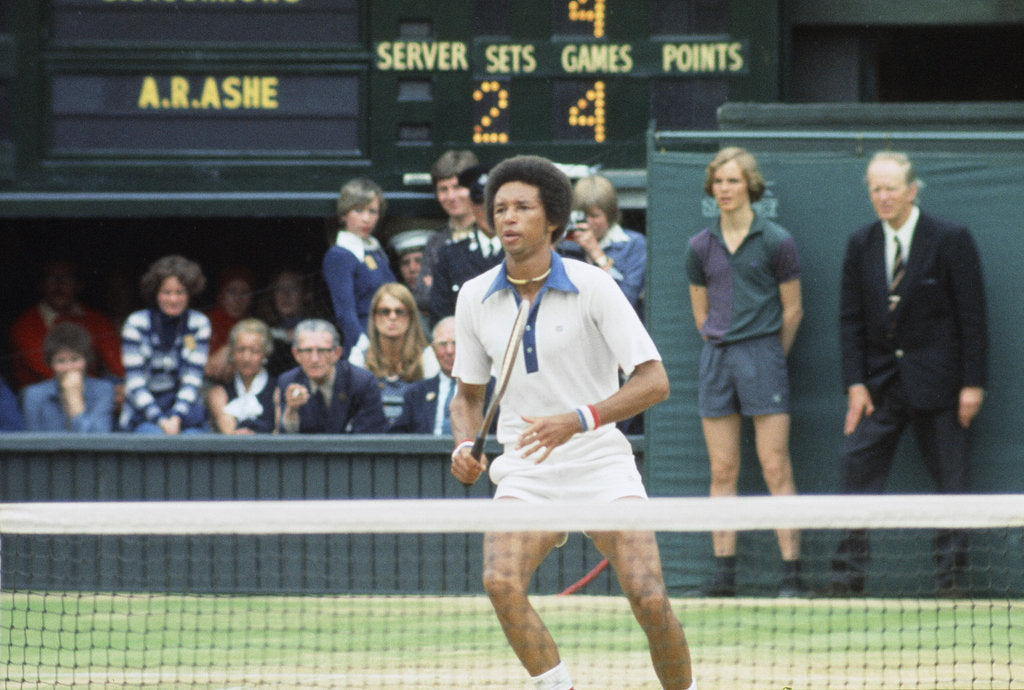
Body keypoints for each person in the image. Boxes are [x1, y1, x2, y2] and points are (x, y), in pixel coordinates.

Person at [449, 155, 694, 690]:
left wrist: (579, 420)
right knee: (499, 581)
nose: (508, 217)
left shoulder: (596, 286)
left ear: (552, 221)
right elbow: (467, 395)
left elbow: (655, 381)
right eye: (500, 208)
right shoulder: (473, 297)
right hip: (527, 470)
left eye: (523, 207)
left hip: (600, 465)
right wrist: (464, 444)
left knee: (650, 599)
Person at [828, 151, 988, 597]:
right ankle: (846, 579)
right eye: (875, 189)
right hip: (880, 387)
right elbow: (851, 319)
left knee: (953, 482)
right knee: (854, 465)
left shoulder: (950, 239)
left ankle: (949, 579)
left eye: (891, 189)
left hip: (943, 386)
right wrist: (856, 384)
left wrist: (972, 384)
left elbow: (972, 316)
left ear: (912, 191)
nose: (882, 197)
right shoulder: (860, 244)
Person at [683, 147, 805, 597]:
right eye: (718, 182)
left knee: (775, 466)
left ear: (749, 185)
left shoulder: (777, 240)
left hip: (765, 359)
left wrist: (769, 353)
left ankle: (791, 575)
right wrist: (725, 343)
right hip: (717, 360)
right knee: (723, 469)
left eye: (733, 181)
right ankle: (723, 576)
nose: (725, 190)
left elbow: (792, 311)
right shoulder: (699, 246)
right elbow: (701, 315)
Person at [120, 255, 210, 434]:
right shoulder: (136, 323)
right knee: (151, 436)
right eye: (166, 292)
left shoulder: (199, 323)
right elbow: (135, 383)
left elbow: (193, 380)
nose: (173, 299)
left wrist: (176, 417)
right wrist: (160, 420)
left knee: (194, 438)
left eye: (180, 292)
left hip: (185, 411)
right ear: (156, 293)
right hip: (145, 411)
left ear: (190, 293)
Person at [10, 258, 124, 389]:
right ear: (41, 285)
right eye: (51, 278)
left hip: (91, 393)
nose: (59, 285)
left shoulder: (96, 319)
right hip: (43, 398)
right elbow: (48, 371)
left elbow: (117, 366)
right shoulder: (24, 325)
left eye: (66, 278)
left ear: (79, 285)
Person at [322, 177, 396, 358]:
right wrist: (364, 348)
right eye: (358, 210)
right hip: (364, 347)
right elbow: (345, 313)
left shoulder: (375, 250)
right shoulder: (340, 255)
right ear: (344, 214)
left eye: (372, 211)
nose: (366, 218)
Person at [275, 318, 387, 434]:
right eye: (307, 351)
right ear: (296, 354)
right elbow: (285, 441)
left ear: (337, 353)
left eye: (322, 351)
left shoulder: (362, 382)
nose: (315, 359)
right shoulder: (288, 381)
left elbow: (368, 438)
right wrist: (291, 412)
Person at [348, 283, 438, 424]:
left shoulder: (428, 356)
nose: (392, 317)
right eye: (385, 311)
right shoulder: (359, 356)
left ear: (410, 317)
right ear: (374, 316)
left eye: (400, 311)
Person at [428, 163, 504, 325]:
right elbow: (440, 312)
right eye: (479, 203)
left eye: (493, 205)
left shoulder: (520, 251)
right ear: (471, 205)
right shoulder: (450, 255)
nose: (486, 211)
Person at [559, 174, 647, 313]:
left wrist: (595, 252)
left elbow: (626, 300)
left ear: (610, 214)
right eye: (582, 216)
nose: (588, 222)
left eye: (594, 216)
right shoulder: (565, 244)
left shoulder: (634, 244)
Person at [413, 149, 480, 313]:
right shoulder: (436, 241)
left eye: (457, 187)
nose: (451, 197)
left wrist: (441, 285)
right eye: (443, 189)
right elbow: (422, 297)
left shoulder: (493, 235)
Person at [21, 322, 116, 432]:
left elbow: (98, 441)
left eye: (75, 359)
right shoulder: (34, 395)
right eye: (60, 361)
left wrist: (74, 400)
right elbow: (34, 442)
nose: (68, 368)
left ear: (86, 360)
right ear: (51, 364)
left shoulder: (103, 390)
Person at [206, 318, 277, 434]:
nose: (246, 358)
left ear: (265, 353)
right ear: (232, 352)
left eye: (254, 351)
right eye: (240, 350)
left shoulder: (278, 390)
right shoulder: (219, 393)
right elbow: (231, 435)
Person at [389, 316, 457, 434]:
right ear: (433, 349)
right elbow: (398, 436)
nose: (449, 351)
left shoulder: (489, 389)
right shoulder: (416, 393)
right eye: (442, 344)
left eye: (456, 343)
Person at [255, 269, 326, 378]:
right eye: (279, 289)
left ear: (305, 294)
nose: (285, 295)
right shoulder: (261, 334)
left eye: (293, 288)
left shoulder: (321, 332)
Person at [204, 266, 255, 384]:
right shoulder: (204, 322)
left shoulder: (253, 326)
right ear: (221, 295)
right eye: (232, 291)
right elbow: (208, 369)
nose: (238, 299)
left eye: (244, 293)